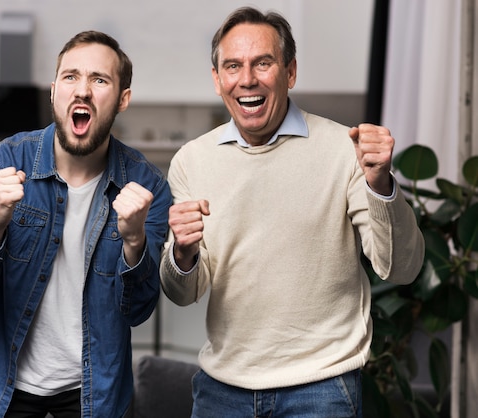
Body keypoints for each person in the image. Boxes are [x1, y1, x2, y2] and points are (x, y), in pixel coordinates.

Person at [159, 7, 424, 418]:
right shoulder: (191, 161)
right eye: (233, 66)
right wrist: (183, 253)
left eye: (263, 63)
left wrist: (381, 186)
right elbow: (183, 293)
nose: (247, 79)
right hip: (221, 390)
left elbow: (401, 268)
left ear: (290, 72)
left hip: (321, 389)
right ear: (217, 80)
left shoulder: (343, 149)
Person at [0, 30, 172, 418]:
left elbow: (139, 310)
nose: (82, 91)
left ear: (123, 99)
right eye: (71, 77)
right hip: (4, 389)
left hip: (93, 394)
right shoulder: (1, 164)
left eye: (99, 80)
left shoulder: (147, 187)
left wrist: (135, 240)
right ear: (54, 92)